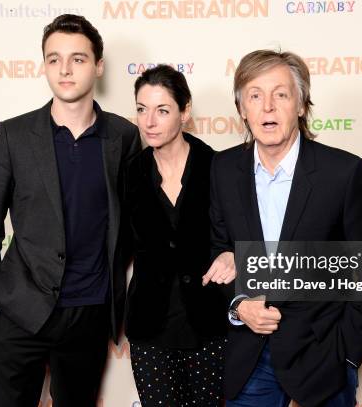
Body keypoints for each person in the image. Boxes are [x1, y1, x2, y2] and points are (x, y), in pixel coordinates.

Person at [0, 14, 141, 407]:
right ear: (44, 65)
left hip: (88, 314)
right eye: (54, 59)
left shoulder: (124, 138)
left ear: (98, 66)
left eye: (78, 59)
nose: (64, 69)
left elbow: (132, 225)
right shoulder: (13, 135)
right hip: (17, 310)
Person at [209, 50, 362, 407]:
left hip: (323, 359)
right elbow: (219, 251)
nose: (267, 107)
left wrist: (346, 357)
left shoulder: (344, 173)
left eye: (280, 94)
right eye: (255, 95)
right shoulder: (223, 168)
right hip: (250, 362)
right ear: (242, 109)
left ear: (301, 105)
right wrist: (239, 305)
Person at [124, 65, 234, 407]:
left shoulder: (218, 167)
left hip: (209, 326)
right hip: (150, 331)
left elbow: (242, 234)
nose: (149, 122)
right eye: (142, 109)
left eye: (162, 110)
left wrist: (234, 254)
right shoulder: (130, 173)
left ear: (185, 112)